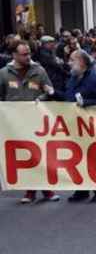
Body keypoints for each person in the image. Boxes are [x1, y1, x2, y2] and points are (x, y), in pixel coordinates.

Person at [0, 41, 60, 204]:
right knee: (23, 156)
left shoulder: (39, 71)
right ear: (14, 55)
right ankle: (29, 191)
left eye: (29, 54)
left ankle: (47, 190)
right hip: (14, 123)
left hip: (37, 120)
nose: (28, 57)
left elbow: (49, 90)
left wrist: (41, 98)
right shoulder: (4, 73)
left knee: (40, 154)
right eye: (24, 54)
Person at [63, 49, 96, 203]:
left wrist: (86, 103)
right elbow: (68, 97)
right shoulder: (72, 78)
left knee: (92, 157)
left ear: (82, 63)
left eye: (72, 60)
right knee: (78, 157)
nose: (69, 63)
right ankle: (82, 189)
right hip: (75, 125)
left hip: (91, 126)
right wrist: (51, 93)